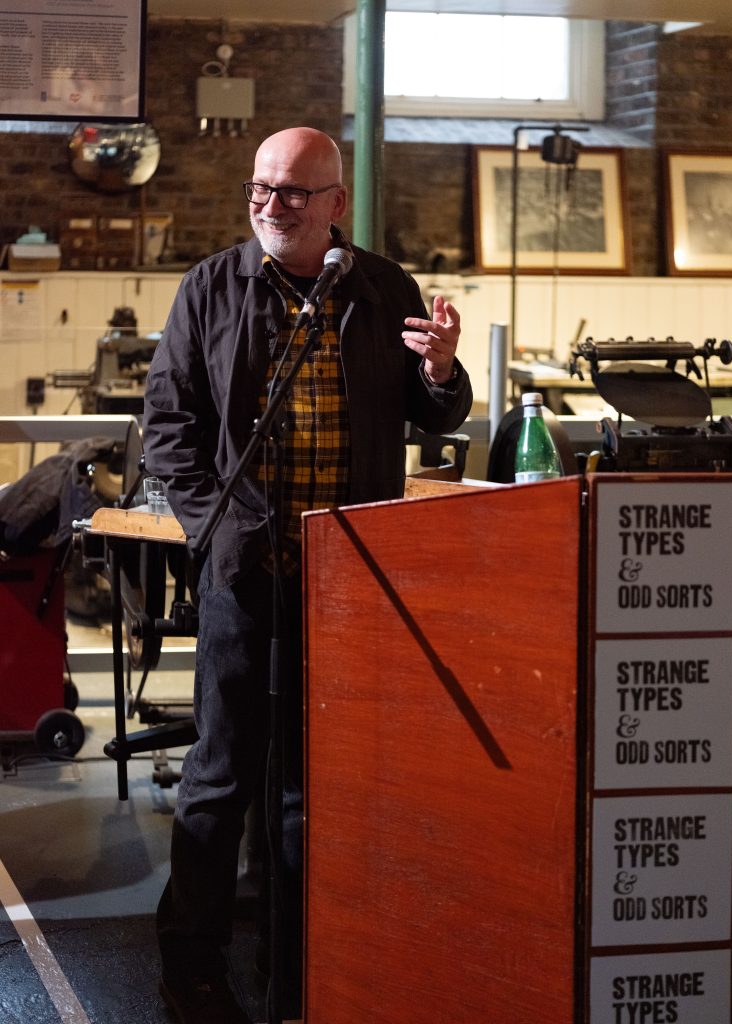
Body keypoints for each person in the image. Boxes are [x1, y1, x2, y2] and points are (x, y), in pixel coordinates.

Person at [142, 126, 472, 1024]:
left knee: (313, 788)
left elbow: (434, 411)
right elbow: (168, 427)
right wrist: (222, 529)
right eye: (260, 188)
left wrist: (443, 370)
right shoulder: (212, 287)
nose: (271, 205)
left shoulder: (381, 287)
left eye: (291, 191)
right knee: (220, 776)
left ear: (336, 204)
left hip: (346, 583)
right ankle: (192, 966)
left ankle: (299, 967)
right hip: (245, 573)